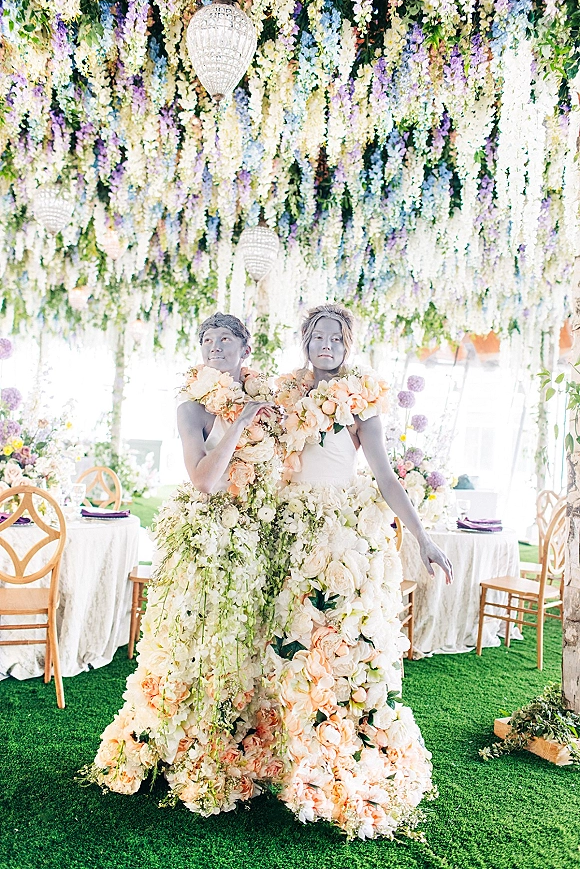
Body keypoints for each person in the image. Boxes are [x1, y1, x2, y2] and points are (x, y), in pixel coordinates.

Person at [83, 313, 285, 814]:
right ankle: (179, 743)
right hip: (209, 534)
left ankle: (239, 747)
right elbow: (204, 480)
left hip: (256, 532)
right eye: (206, 340)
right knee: (197, 642)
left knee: (245, 640)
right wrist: (239, 421)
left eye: (224, 339)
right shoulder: (191, 406)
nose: (214, 346)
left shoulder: (269, 398)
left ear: (245, 348)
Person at [268, 303, 453, 840]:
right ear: (304, 340)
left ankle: (343, 752)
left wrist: (422, 536)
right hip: (288, 525)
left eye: (335, 338)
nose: (325, 345)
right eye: (316, 336)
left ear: (348, 345)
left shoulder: (362, 398)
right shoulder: (283, 392)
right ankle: (287, 751)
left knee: (340, 644)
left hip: (340, 532)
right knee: (288, 642)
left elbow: (386, 476)